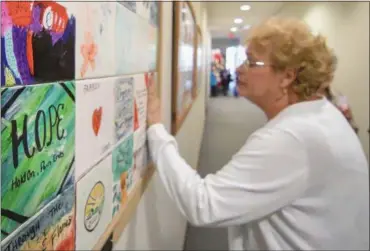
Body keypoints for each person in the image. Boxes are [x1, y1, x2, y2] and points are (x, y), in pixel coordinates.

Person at [146, 17, 369, 250]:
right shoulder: (321, 113)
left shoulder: (292, 137)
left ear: (287, 76)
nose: (239, 69)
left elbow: (203, 204)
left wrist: (157, 131)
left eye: (252, 62)